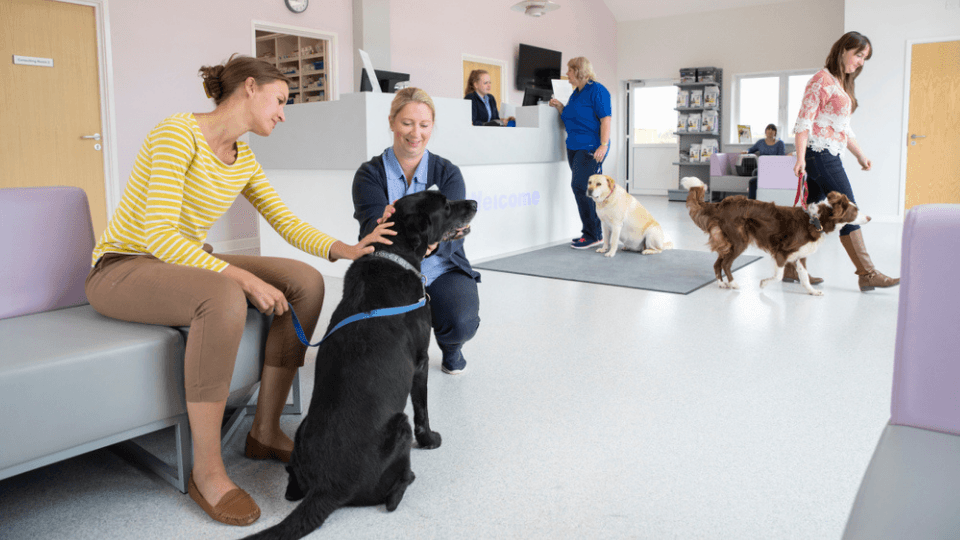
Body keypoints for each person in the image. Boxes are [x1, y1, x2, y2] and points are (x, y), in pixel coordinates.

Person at [84, 55, 395, 526]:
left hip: (181, 260)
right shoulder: (176, 133)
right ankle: (207, 471)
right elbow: (158, 236)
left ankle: (265, 430)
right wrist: (243, 279)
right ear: (250, 87)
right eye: (280, 100)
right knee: (224, 296)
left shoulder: (243, 157)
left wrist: (346, 250)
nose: (283, 114)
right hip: (124, 267)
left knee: (305, 281)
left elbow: (284, 221)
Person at [353, 87, 481, 375]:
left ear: (432, 127)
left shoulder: (447, 173)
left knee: (461, 320)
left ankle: (452, 347)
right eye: (407, 123)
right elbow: (372, 233)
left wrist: (426, 241)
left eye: (424, 125)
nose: (415, 133)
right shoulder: (369, 175)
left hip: (440, 266)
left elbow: (453, 228)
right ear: (391, 122)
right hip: (390, 269)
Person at [792, 32, 898, 292]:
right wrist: (800, 158)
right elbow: (803, 122)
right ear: (843, 50)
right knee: (848, 209)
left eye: (865, 58)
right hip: (820, 156)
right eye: (858, 54)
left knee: (811, 215)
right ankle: (867, 273)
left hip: (829, 154)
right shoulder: (821, 80)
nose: (861, 62)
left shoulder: (841, 84)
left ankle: (791, 268)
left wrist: (860, 155)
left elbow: (843, 130)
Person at [548, 57, 612, 249]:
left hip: (591, 148)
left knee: (581, 187)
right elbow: (570, 116)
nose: (567, 74)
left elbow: (606, 120)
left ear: (579, 71)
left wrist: (604, 145)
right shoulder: (576, 93)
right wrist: (560, 106)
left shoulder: (598, 91)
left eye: (569, 70)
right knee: (583, 189)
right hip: (574, 147)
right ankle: (595, 232)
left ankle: (593, 234)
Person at [743, 123, 786, 200]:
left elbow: (781, 159)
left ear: (775, 132)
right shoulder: (760, 142)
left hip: (775, 170)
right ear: (765, 131)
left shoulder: (780, 143)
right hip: (762, 169)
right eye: (768, 129)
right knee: (753, 178)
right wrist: (746, 151)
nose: (770, 131)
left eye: (773, 129)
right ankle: (752, 202)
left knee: (754, 181)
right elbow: (751, 149)